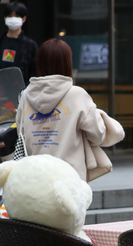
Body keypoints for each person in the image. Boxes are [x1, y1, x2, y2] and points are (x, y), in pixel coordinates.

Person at [15, 39, 123, 182]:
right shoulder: (77, 95)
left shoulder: (26, 96)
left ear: (39, 63)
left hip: (35, 181)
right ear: (67, 63)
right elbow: (98, 135)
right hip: (70, 181)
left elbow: (20, 134)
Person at [0, 2, 38, 85]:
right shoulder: (1, 41)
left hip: (21, 92)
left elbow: (35, 73)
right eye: (10, 16)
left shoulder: (30, 45)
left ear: (23, 19)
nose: (13, 19)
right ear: (5, 18)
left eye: (17, 16)